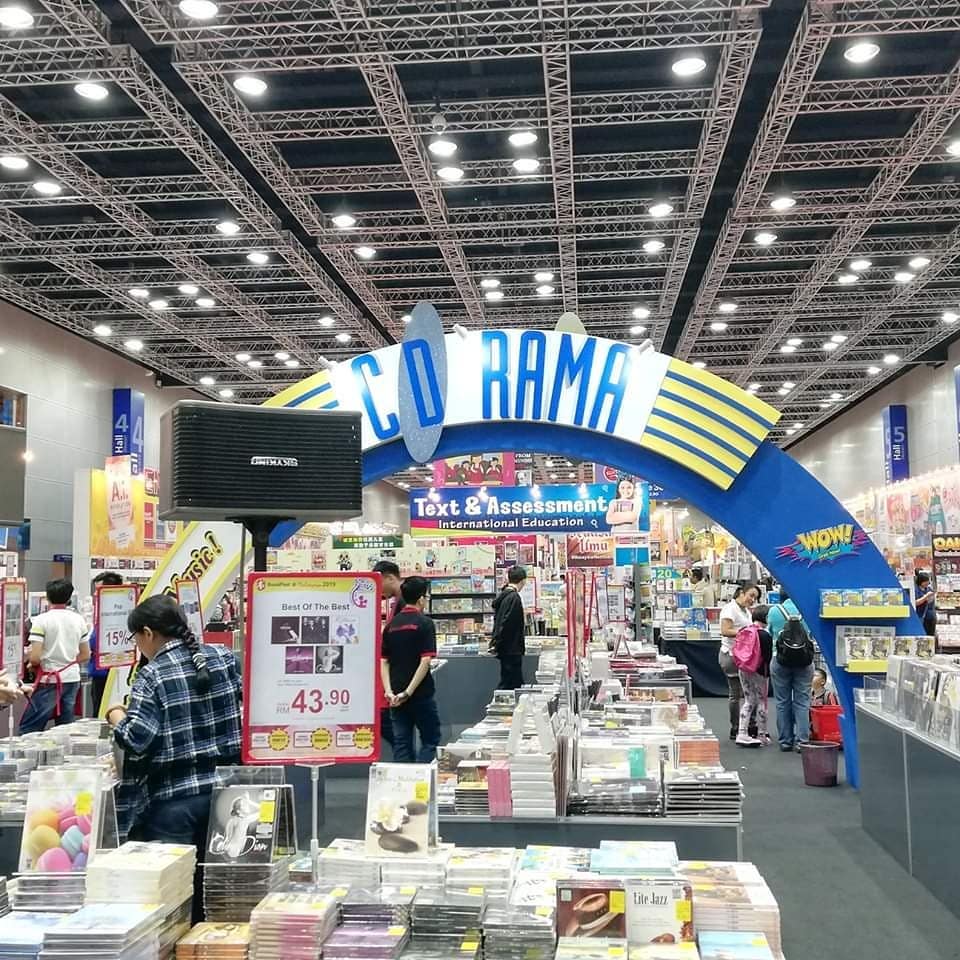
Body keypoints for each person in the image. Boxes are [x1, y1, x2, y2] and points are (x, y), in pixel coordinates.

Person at [106, 595, 241, 919]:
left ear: (148, 633)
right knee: (224, 890)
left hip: (173, 801)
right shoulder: (222, 658)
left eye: (136, 638)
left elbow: (138, 738)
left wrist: (114, 715)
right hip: (229, 795)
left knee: (175, 896)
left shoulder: (153, 675)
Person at [380, 577, 440, 763]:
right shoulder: (425, 623)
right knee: (430, 740)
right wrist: (409, 691)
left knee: (402, 743)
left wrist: (389, 692)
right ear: (421, 598)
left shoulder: (391, 625)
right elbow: (425, 661)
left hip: (395, 695)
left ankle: (403, 786)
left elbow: (384, 661)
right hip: (420, 693)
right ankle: (421, 783)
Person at [19, 579, 89, 734]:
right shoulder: (79, 620)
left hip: (49, 680)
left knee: (30, 727)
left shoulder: (41, 620)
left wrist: (33, 663)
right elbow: (85, 654)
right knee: (65, 728)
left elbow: (35, 658)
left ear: (48, 597)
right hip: (72, 678)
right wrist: (67, 662)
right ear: (69, 598)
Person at [768, 588, 815, 752]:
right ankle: (802, 741)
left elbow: (770, 633)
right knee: (803, 701)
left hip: (780, 660)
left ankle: (785, 741)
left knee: (782, 701)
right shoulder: (808, 609)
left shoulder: (774, 611)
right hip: (804, 661)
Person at [718, 584, 759, 740]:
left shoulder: (746, 611)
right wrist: (747, 632)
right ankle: (736, 727)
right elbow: (725, 630)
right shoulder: (730, 609)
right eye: (751, 595)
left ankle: (748, 724)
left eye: (755, 597)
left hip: (744, 656)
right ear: (741, 593)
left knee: (749, 692)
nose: (752, 599)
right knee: (736, 693)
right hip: (731, 656)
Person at [372, 559, 402, 749]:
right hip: (393, 676)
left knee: (396, 733)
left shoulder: (403, 602)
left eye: (379, 581)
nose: (379, 589)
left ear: (389, 577)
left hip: (395, 677)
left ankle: (409, 767)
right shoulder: (397, 601)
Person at [735, 606, 773, 747]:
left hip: (743, 668)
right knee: (762, 702)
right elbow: (768, 657)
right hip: (760, 671)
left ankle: (742, 732)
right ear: (766, 618)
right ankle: (761, 734)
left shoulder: (744, 631)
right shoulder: (765, 635)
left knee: (748, 700)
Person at [491, 566, 527, 689]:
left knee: (509, 681)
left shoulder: (504, 596)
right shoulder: (514, 598)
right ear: (522, 581)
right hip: (512, 649)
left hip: (505, 649)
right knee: (511, 684)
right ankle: (499, 706)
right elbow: (508, 624)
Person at [914, 571, 936, 637]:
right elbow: (915, 603)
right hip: (920, 616)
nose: (927, 583)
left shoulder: (928, 589)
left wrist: (931, 598)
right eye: (925, 581)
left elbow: (931, 601)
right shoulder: (916, 590)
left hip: (930, 616)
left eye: (928, 581)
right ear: (920, 581)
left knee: (931, 634)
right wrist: (926, 597)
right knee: (922, 635)